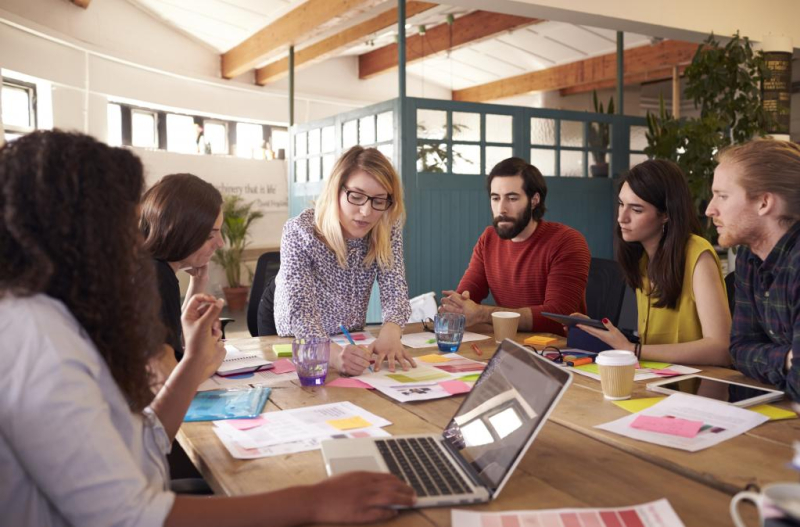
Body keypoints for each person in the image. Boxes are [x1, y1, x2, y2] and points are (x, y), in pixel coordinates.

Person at [0, 130, 415, 526]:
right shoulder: (37, 344)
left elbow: (145, 443)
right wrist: (315, 500)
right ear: (71, 234)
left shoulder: (58, 318)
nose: (138, 240)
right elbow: (131, 517)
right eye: (124, 225)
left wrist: (195, 360)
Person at [271, 146, 415, 375]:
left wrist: (391, 329)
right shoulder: (299, 230)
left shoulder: (386, 225)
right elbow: (301, 312)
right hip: (295, 337)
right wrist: (334, 356)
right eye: (356, 197)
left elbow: (394, 283)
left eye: (379, 200)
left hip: (349, 334)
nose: (366, 211)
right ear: (335, 191)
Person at [576, 159, 731, 366]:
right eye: (621, 204)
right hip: (654, 380)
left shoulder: (697, 254)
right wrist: (601, 331)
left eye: (636, 210)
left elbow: (721, 349)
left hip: (693, 388)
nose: (622, 218)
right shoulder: (641, 258)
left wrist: (633, 350)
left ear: (665, 215)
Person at [440, 157, 590, 335]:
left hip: (557, 351)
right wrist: (457, 306)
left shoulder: (567, 241)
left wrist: (482, 314)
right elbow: (465, 297)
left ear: (534, 200)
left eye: (512, 198)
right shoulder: (488, 239)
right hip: (507, 343)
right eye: (495, 198)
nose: (501, 208)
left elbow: (558, 316)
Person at [705, 138, 800, 400]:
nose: (709, 209)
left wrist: (776, 360)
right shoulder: (750, 257)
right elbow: (739, 349)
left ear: (763, 203)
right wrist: (787, 359)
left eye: (722, 196)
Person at [140, 173, 224, 361]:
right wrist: (212, 359)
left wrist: (198, 281)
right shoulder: (157, 277)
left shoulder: (150, 268)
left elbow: (176, 339)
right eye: (211, 235)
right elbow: (168, 379)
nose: (220, 243)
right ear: (180, 233)